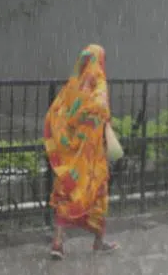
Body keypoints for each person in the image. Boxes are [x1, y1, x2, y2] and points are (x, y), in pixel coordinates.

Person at [44, 44, 120, 259]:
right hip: (92, 157)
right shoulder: (99, 83)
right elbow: (101, 112)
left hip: (72, 155)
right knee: (97, 193)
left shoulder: (73, 86)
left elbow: (58, 112)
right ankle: (98, 242)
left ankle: (57, 243)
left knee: (66, 192)